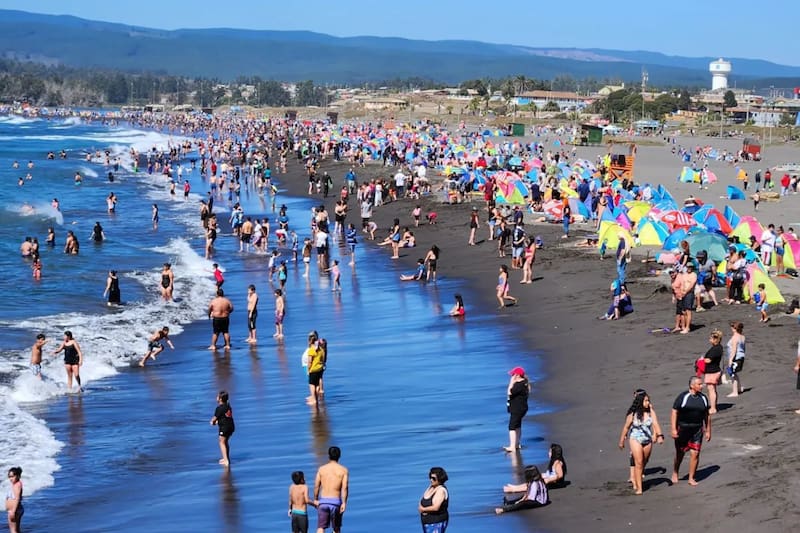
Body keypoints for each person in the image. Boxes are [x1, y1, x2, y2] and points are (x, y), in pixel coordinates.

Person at [618, 391, 665, 495]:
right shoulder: (633, 414)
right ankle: (639, 487)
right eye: (646, 401)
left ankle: (635, 478)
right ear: (640, 401)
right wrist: (622, 441)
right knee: (638, 462)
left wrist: (659, 435)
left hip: (647, 440)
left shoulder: (650, 412)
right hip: (635, 439)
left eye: (648, 400)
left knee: (644, 461)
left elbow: (656, 423)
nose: (648, 403)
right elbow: (626, 427)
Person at [671, 376, 711, 485]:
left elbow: (707, 415)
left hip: (697, 429)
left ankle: (691, 478)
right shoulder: (683, 397)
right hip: (683, 429)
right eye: (699, 384)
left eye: (701, 384)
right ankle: (675, 472)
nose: (701, 386)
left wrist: (708, 430)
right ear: (692, 385)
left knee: (695, 453)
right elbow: (674, 412)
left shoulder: (703, 398)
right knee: (680, 453)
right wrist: (673, 429)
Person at [314, 446, 349, 533]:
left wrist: (315, 499)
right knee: (336, 529)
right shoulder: (343, 470)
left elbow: (316, 486)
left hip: (323, 502)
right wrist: (344, 503)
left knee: (321, 527)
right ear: (339, 456)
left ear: (328, 456)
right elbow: (344, 488)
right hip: (335, 503)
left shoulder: (321, 469)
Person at [504, 366, 530, 452]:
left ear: (517, 375)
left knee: (512, 427)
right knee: (518, 426)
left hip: (517, 409)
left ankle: (512, 446)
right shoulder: (524, 383)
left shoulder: (519, 385)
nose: (511, 376)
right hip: (521, 408)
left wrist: (511, 383)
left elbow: (509, 392)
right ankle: (516, 444)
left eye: (513, 375)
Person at [419, 467, 449, 531]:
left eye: (434, 478)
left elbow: (436, 507)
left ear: (440, 478)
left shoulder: (441, 490)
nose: (431, 480)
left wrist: (423, 509)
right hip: (427, 522)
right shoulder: (430, 487)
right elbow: (423, 498)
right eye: (430, 477)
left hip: (436, 522)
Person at [701, 330, 724, 414]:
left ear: (715, 339)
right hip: (714, 370)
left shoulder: (716, 349)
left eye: (711, 338)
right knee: (712, 389)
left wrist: (701, 360)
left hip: (712, 371)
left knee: (711, 389)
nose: (709, 339)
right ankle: (714, 406)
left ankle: (713, 408)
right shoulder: (718, 347)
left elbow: (708, 360)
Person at [210, 390, 235, 467]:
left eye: (217, 396)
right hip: (231, 427)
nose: (216, 398)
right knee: (225, 442)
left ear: (220, 399)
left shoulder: (219, 408)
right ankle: (226, 458)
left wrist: (212, 422)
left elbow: (214, 419)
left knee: (221, 442)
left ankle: (226, 460)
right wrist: (218, 422)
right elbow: (224, 417)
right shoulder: (228, 406)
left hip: (224, 428)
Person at [726, 322, 746, 397]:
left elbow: (734, 350)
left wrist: (730, 360)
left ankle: (735, 392)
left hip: (736, 358)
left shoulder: (735, 337)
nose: (731, 328)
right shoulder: (742, 337)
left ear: (735, 328)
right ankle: (739, 388)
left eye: (732, 327)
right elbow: (743, 348)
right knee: (735, 374)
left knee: (733, 374)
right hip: (741, 357)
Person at [5, 466, 23, 533]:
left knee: (13, 531)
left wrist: (13, 511)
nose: (11, 478)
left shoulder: (17, 485)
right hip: (17, 509)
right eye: (9, 477)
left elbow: (17, 498)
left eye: (12, 476)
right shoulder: (17, 484)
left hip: (14, 510)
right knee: (16, 530)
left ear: (18, 476)